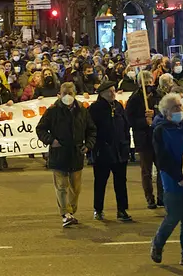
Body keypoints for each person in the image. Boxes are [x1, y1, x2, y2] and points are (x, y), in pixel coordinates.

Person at [150, 93, 183, 268]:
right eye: (175, 107)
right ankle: (158, 244)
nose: (179, 110)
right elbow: (162, 159)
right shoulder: (160, 130)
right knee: (173, 217)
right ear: (166, 112)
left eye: (180, 106)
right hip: (174, 182)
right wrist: (179, 177)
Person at [36, 82, 97, 227]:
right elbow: (41, 129)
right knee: (62, 186)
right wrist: (51, 141)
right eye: (64, 93)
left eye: (70, 93)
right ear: (59, 94)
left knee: (75, 188)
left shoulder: (82, 110)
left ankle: (71, 211)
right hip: (59, 154)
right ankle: (65, 214)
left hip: (76, 154)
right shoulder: (53, 111)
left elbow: (91, 130)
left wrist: (88, 145)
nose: (67, 97)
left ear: (75, 94)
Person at [89, 81, 133, 222]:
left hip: (120, 150)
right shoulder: (95, 109)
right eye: (110, 91)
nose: (113, 93)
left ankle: (122, 210)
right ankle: (98, 209)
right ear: (102, 93)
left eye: (114, 91)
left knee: (120, 182)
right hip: (103, 151)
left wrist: (126, 143)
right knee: (100, 182)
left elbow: (126, 126)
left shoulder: (119, 106)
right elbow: (90, 130)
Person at [126, 70, 162, 209]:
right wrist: (144, 121)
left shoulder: (158, 95)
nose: (147, 85)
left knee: (161, 168)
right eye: (144, 82)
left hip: (157, 138)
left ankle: (161, 197)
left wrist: (155, 114)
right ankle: (149, 198)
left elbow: (164, 112)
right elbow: (129, 119)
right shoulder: (134, 99)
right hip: (143, 139)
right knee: (146, 171)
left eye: (149, 82)